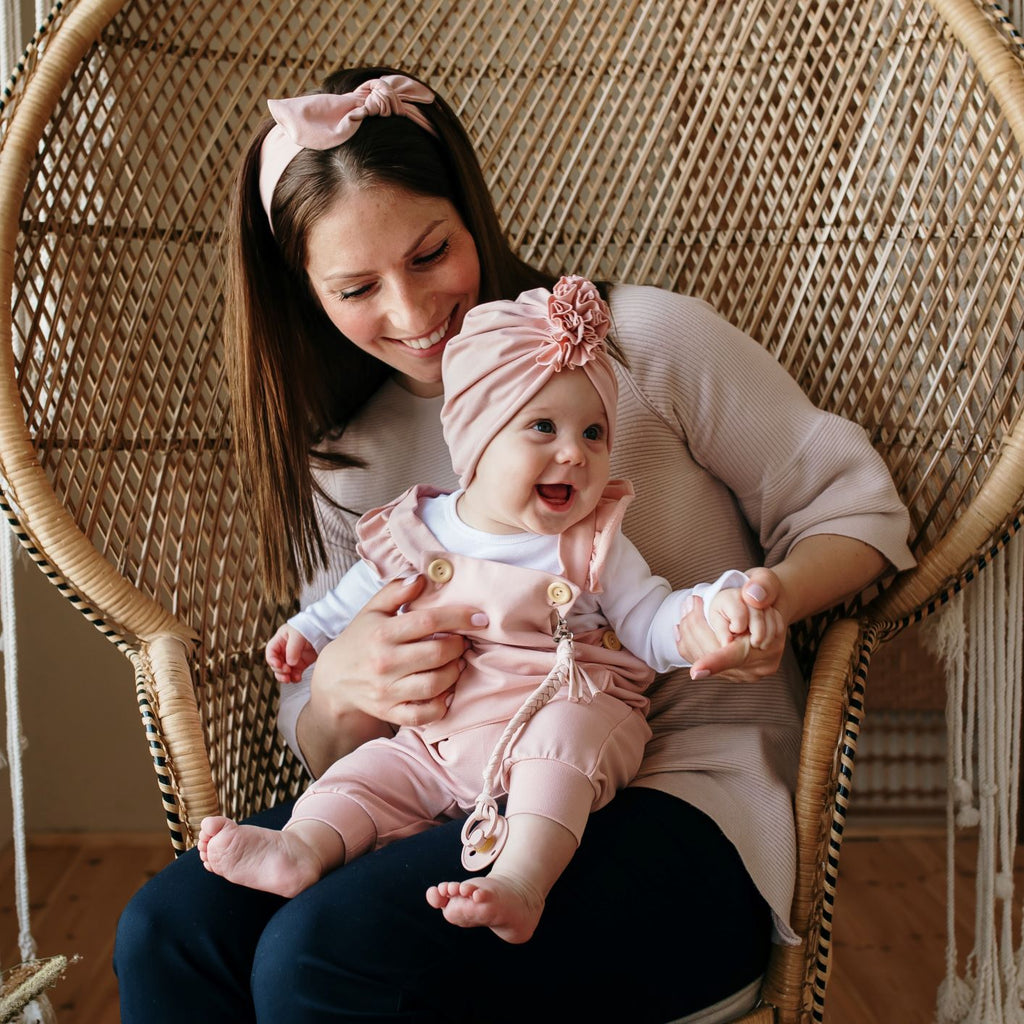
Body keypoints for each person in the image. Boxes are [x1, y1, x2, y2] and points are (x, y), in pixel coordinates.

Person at [114, 66, 916, 1024]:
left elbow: (860, 513)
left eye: (430, 254)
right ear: (305, 293)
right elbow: (324, 742)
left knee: (322, 960)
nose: (412, 315)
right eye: (357, 287)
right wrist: (341, 687)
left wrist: (755, 602)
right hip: (442, 788)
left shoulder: (642, 344)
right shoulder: (353, 459)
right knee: (173, 926)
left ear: (473, 217)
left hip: (680, 810)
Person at [197, 275, 776, 945]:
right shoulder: (419, 528)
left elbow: (648, 620)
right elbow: (354, 600)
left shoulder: (589, 542)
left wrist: (709, 612)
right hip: (442, 740)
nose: (575, 452)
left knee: (560, 744)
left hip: (569, 712)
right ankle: (302, 848)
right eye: (543, 427)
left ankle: (522, 879)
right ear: (475, 439)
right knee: (370, 774)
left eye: (594, 433)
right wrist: (307, 633)